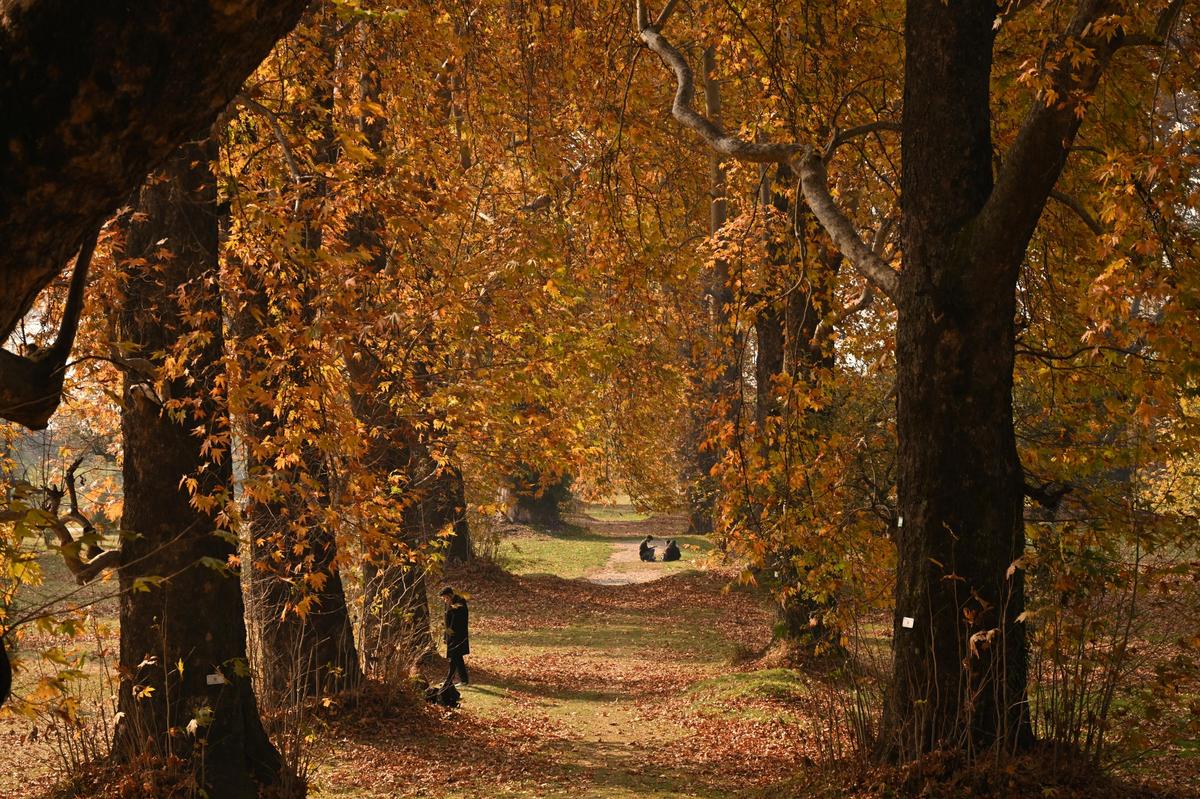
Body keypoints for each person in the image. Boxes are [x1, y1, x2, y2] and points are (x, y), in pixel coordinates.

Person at [440, 586, 470, 687]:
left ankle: (451, 681)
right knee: (455, 658)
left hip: (458, 636)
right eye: (443, 599)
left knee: (455, 657)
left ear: (450, 595)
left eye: (445, 598)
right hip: (451, 636)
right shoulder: (448, 604)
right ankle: (457, 680)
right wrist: (446, 637)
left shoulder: (460, 603)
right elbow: (446, 622)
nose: (445, 600)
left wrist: (451, 636)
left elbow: (458, 622)